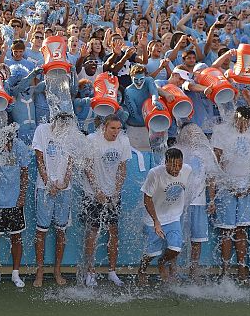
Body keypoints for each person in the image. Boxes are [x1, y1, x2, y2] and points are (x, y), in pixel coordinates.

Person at [211, 106, 250, 282]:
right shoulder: (221, 131)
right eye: (241, 121)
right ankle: (225, 270)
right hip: (226, 184)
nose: (244, 125)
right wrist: (226, 183)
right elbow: (216, 160)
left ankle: (242, 269)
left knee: (242, 229)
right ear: (235, 118)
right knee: (226, 230)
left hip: (246, 183)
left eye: (247, 122)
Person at [80, 114, 131, 287]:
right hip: (92, 194)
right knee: (92, 232)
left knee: (113, 231)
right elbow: (87, 167)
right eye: (112, 128)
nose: (116, 132)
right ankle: (90, 272)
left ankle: (112, 272)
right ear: (104, 127)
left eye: (118, 128)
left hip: (112, 195)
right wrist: (97, 191)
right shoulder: (92, 140)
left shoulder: (123, 141)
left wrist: (116, 191)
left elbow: (122, 169)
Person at [0, 123, 30, 288]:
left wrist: (22, 196)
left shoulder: (20, 146)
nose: (8, 145)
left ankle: (16, 274)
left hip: (14, 200)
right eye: (5, 141)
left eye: (11, 141)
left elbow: (25, 172)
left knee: (16, 237)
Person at [32, 112, 74, 287]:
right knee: (41, 231)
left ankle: (57, 269)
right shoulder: (42, 130)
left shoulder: (71, 135)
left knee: (61, 231)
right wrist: (48, 182)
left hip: (65, 189)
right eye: (60, 126)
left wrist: (64, 182)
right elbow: (39, 159)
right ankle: (40, 270)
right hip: (44, 188)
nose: (62, 130)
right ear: (54, 122)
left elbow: (71, 162)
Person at [138, 148, 192, 284]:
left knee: (176, 248)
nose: (177, 169)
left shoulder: (187, 170)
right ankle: (142, 269)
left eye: (179, 165)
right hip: (154, 219)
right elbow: (147, 199)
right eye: (173, 165)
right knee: (151, 253)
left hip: (173, 216)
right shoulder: (155, 173)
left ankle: (162, 262)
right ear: (166, 163)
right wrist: (156, 221)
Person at [177, 123, 219, 280]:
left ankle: (194, 269)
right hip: (178, 203)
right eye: (189, 133)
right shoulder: (177, 151)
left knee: (197, 238)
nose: (192, 136)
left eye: (195, 133)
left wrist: (212, 200)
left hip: (199, 203)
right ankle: (174, 269)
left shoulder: (205, 153)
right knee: (176, 238)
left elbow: (211, 178)